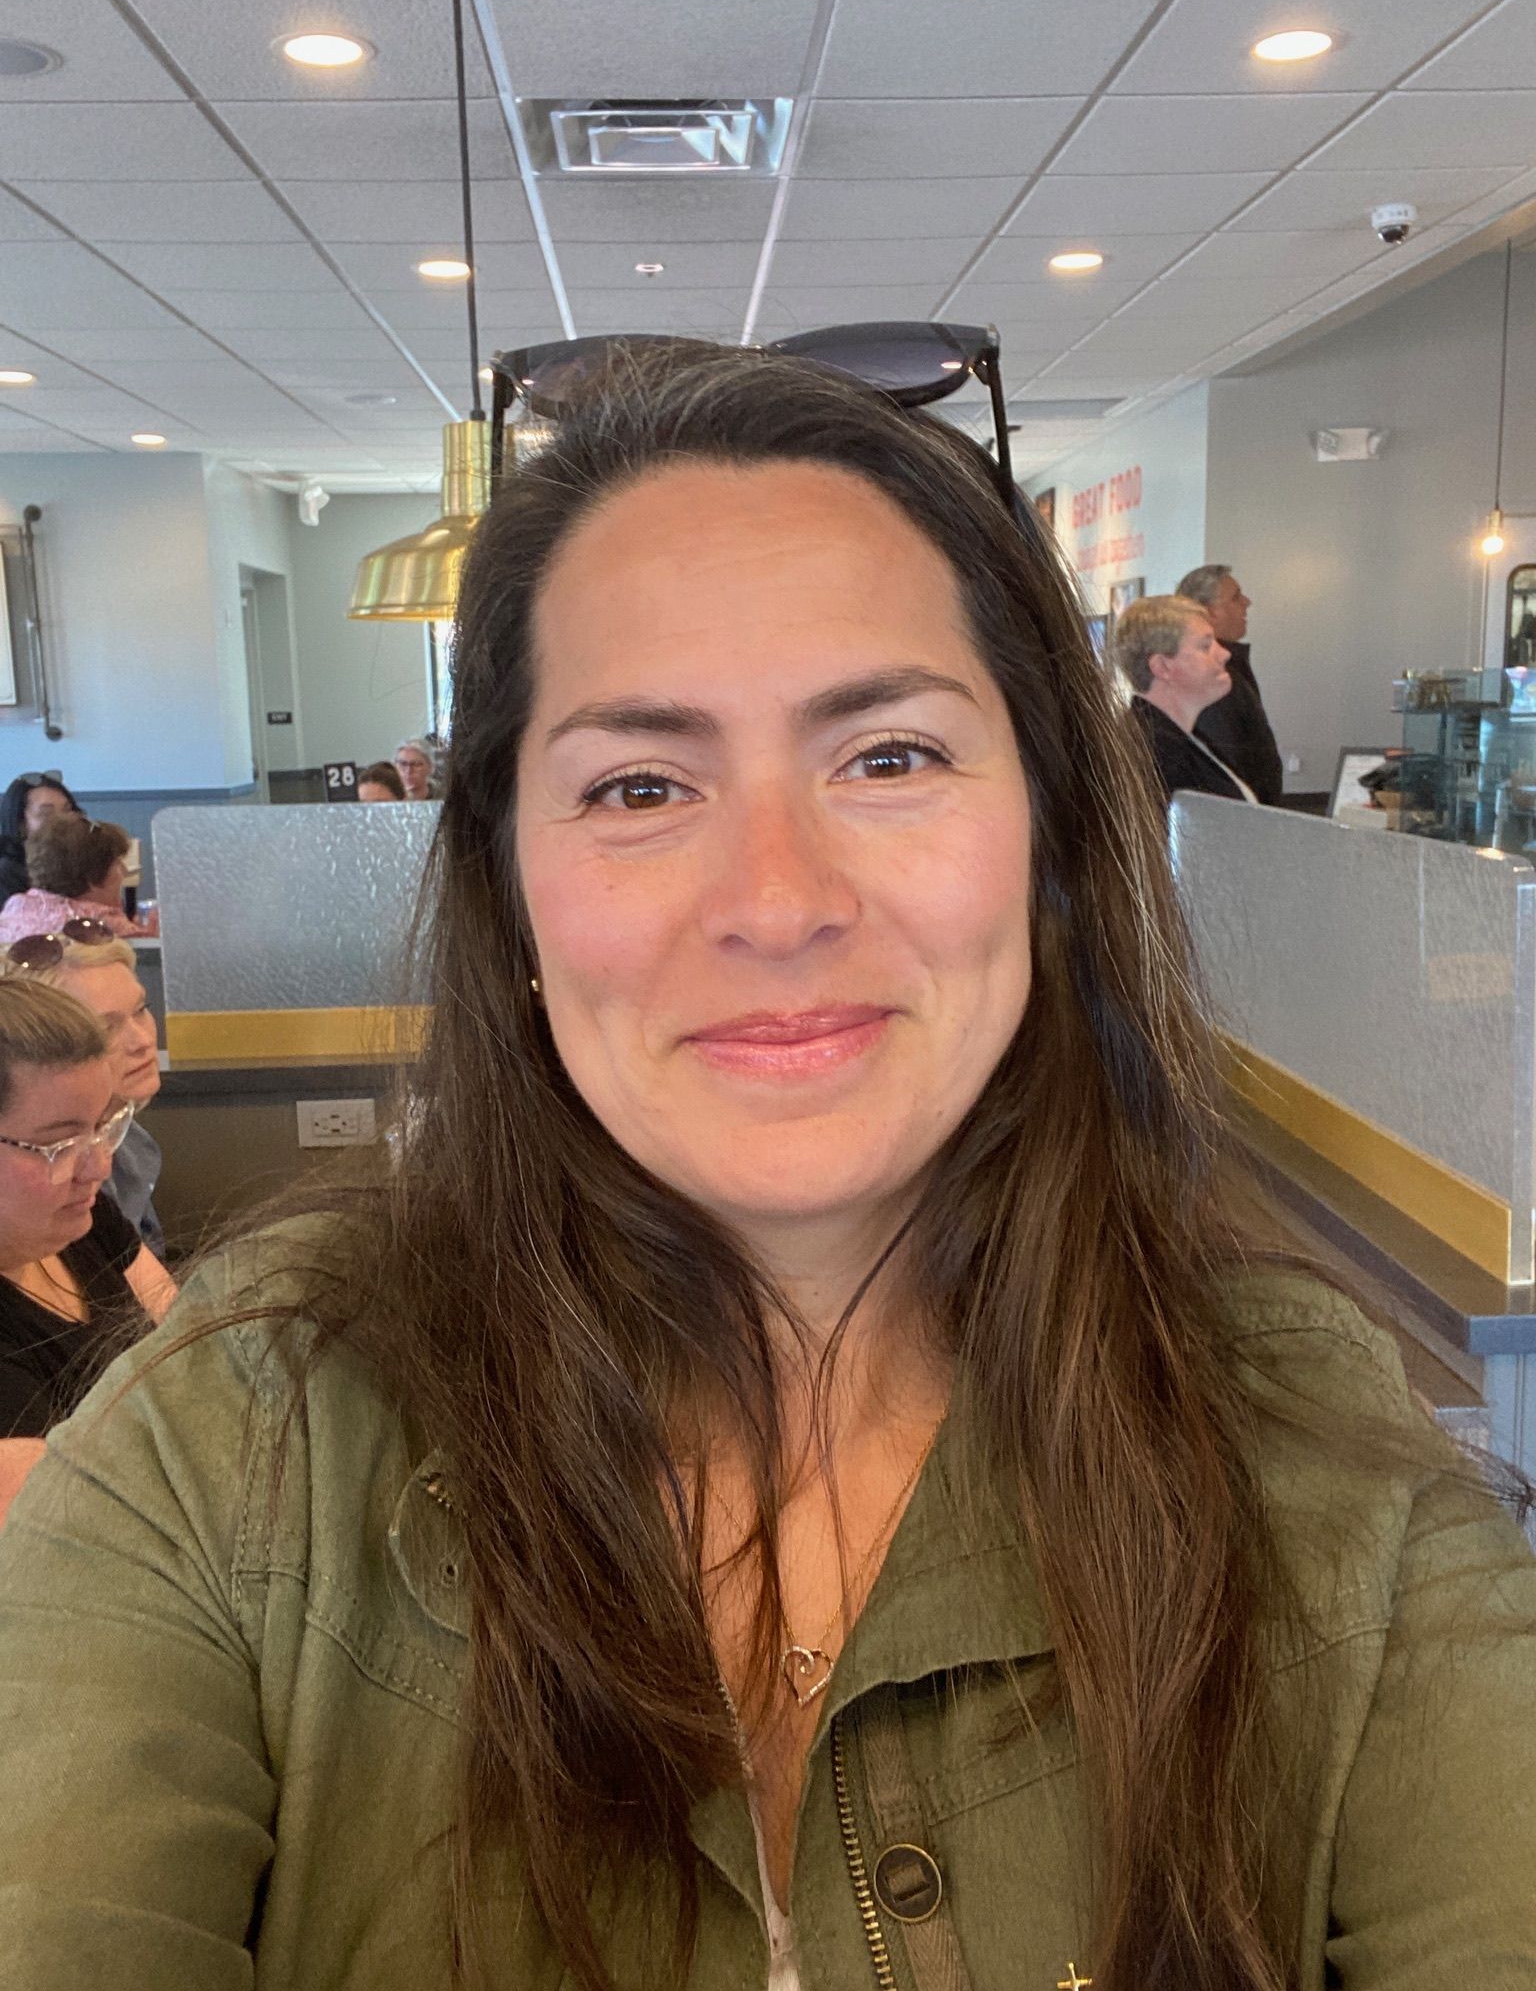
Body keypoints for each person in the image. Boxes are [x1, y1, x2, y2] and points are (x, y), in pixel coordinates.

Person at [0, 345, 1531, 1990]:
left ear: (1048, 836)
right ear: (510, 889)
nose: (780, 900)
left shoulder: (1316, 1458)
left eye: (889, 756)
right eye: (640, 784)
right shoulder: (238, 1444)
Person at [0, 979, 174, 1528]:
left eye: (104, 1126)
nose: (98, 1166)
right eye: (60, 1144)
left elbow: (186, 1340)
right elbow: (77, 1525)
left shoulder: (80, 1221)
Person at [8, 927, 167, 1256]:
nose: (142, 1041)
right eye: (105, 1027)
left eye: (140, 1010)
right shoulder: (55, 1188)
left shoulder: (130, 1136)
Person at [1117, 593, 1258, 805]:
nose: (1225, 654)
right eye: (1205, 646)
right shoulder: (1155, 753)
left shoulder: (1178, 736)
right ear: (1162, 667)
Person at [1176, 563, 1285, 804]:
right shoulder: (1211, 676)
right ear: (1207, 611)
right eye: (1236, 597)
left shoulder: (1232, 668)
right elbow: (1226, 760)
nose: (1247, 602)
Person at [0, 813, 136, 941]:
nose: (124, 870)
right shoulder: (105, 923)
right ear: (93, 875)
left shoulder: (17, 906)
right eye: (117, 863)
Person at [0, 771, 81, 904]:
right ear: (20, 824)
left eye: (67, 810)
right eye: (46, 814)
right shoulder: (6, 874)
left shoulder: (80, 861)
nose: (62, 820)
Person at [393, 736, 441, 800]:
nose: (408, 770)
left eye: (416, 764)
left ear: (430, 767)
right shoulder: (387, 798)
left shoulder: (444, 799)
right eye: (403, 764)